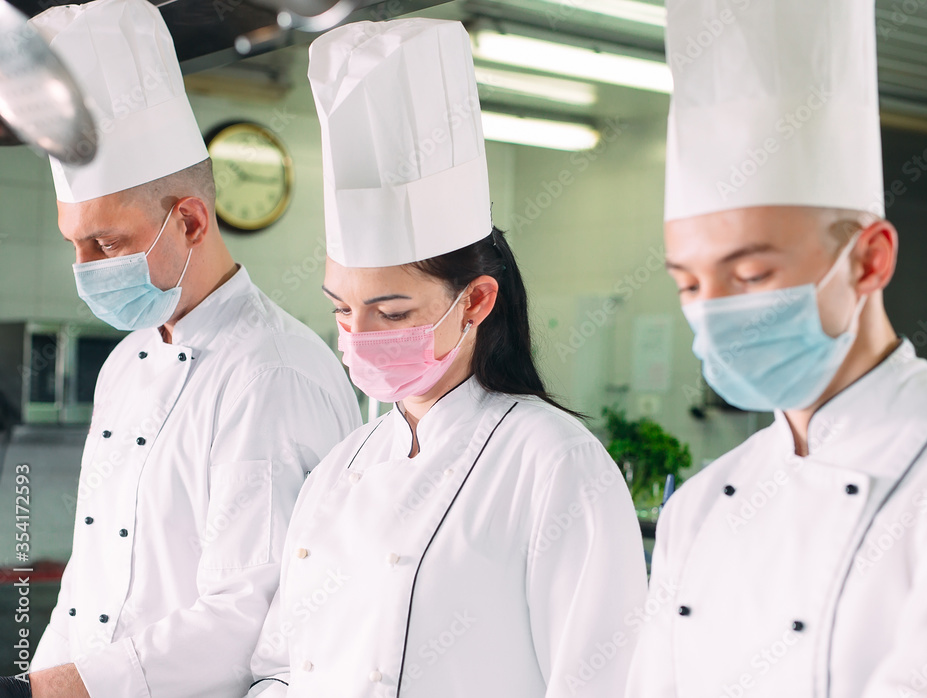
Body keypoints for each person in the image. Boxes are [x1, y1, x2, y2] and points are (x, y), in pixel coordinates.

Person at [245, 18, 648, 698]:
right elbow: (282, 670)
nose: (360, 333)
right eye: (342, 309)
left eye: (394, 312)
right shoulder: (340, 471)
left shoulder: (552, 462)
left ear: (476, 301)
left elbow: (600, 681)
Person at [626, 1, 927, 696]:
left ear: (869, 261)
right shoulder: (700, 506)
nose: (714, 311)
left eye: (751, 275)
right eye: (688, 283)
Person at [12, 1, 362, 696]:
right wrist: (36, 679)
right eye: (74, 244)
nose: (84, 268)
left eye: (105, 243)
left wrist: (59, 691)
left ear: (192, 221)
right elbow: (89, 579)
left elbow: (254, 616)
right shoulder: (126, 363)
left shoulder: (273, 375)